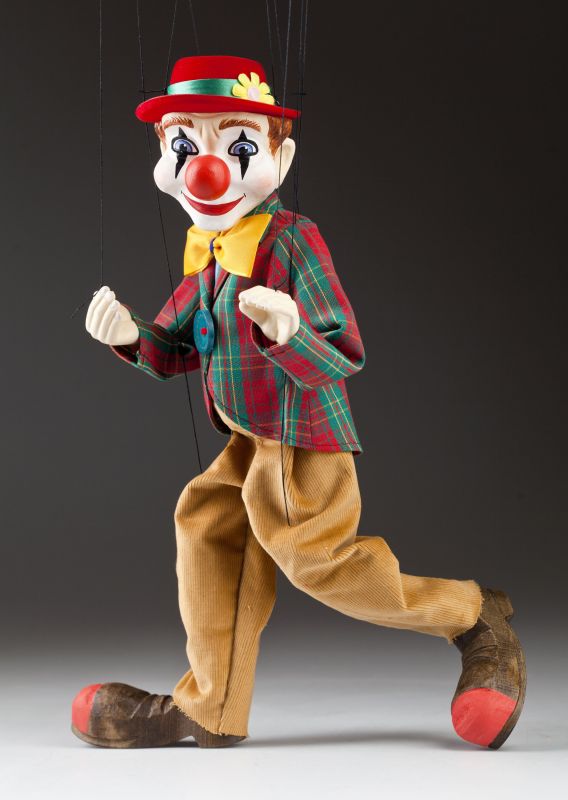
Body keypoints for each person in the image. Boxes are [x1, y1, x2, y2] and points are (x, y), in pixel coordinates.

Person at [71, 55, 526, 750]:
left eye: (238, 148)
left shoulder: (291, 240)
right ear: (164, 162)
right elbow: (175, 349)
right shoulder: (212, 252)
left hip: (303, 440)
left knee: (321, 563)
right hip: (248, 439)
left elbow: (344, 352)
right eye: (185, 147)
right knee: (206, 529)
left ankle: (473, 615)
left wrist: (289, 332)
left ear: (280, 160)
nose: (206, 171)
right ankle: (208, 706)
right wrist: (130, 335)